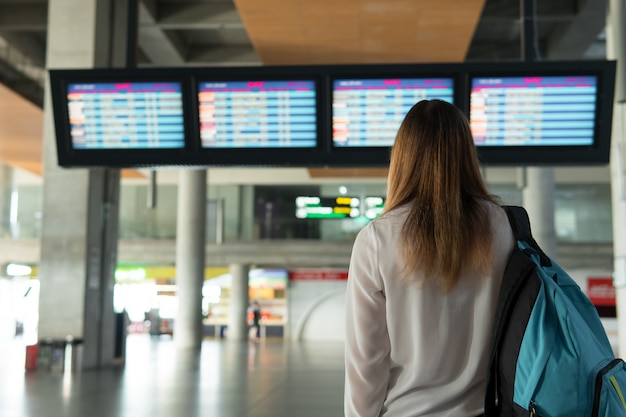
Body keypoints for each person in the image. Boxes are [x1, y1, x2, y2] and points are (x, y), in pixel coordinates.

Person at [344, 99, 515, 417]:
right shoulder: (504, 227)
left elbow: (365, 363)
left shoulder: (377, 239)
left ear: (402, 157)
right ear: (466, 153)